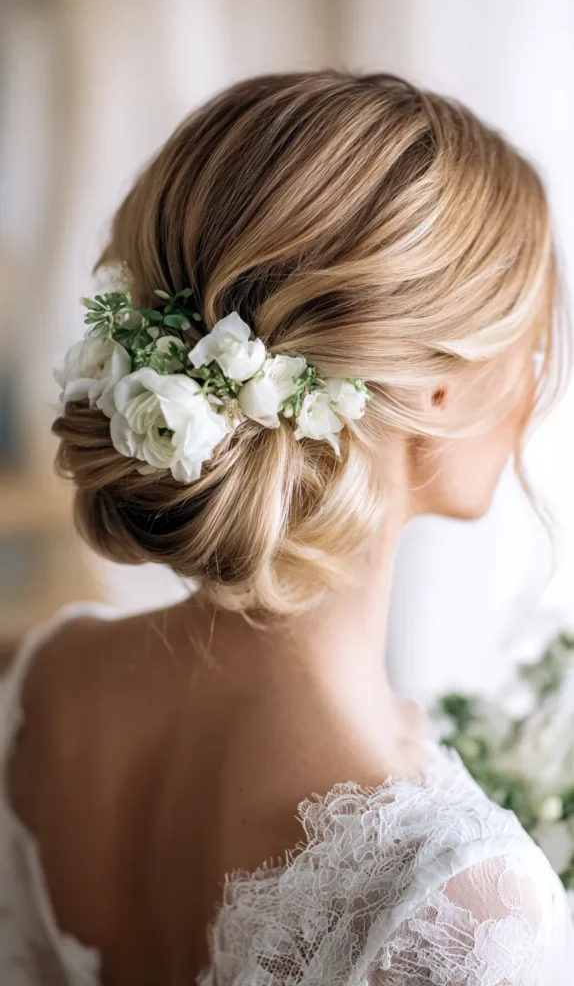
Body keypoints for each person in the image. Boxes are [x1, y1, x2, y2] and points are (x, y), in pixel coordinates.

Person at [0, 71, 572, 986]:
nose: (539, 388)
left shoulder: (46, 688)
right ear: (435, 388)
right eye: (531, 343)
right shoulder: (466, 907)